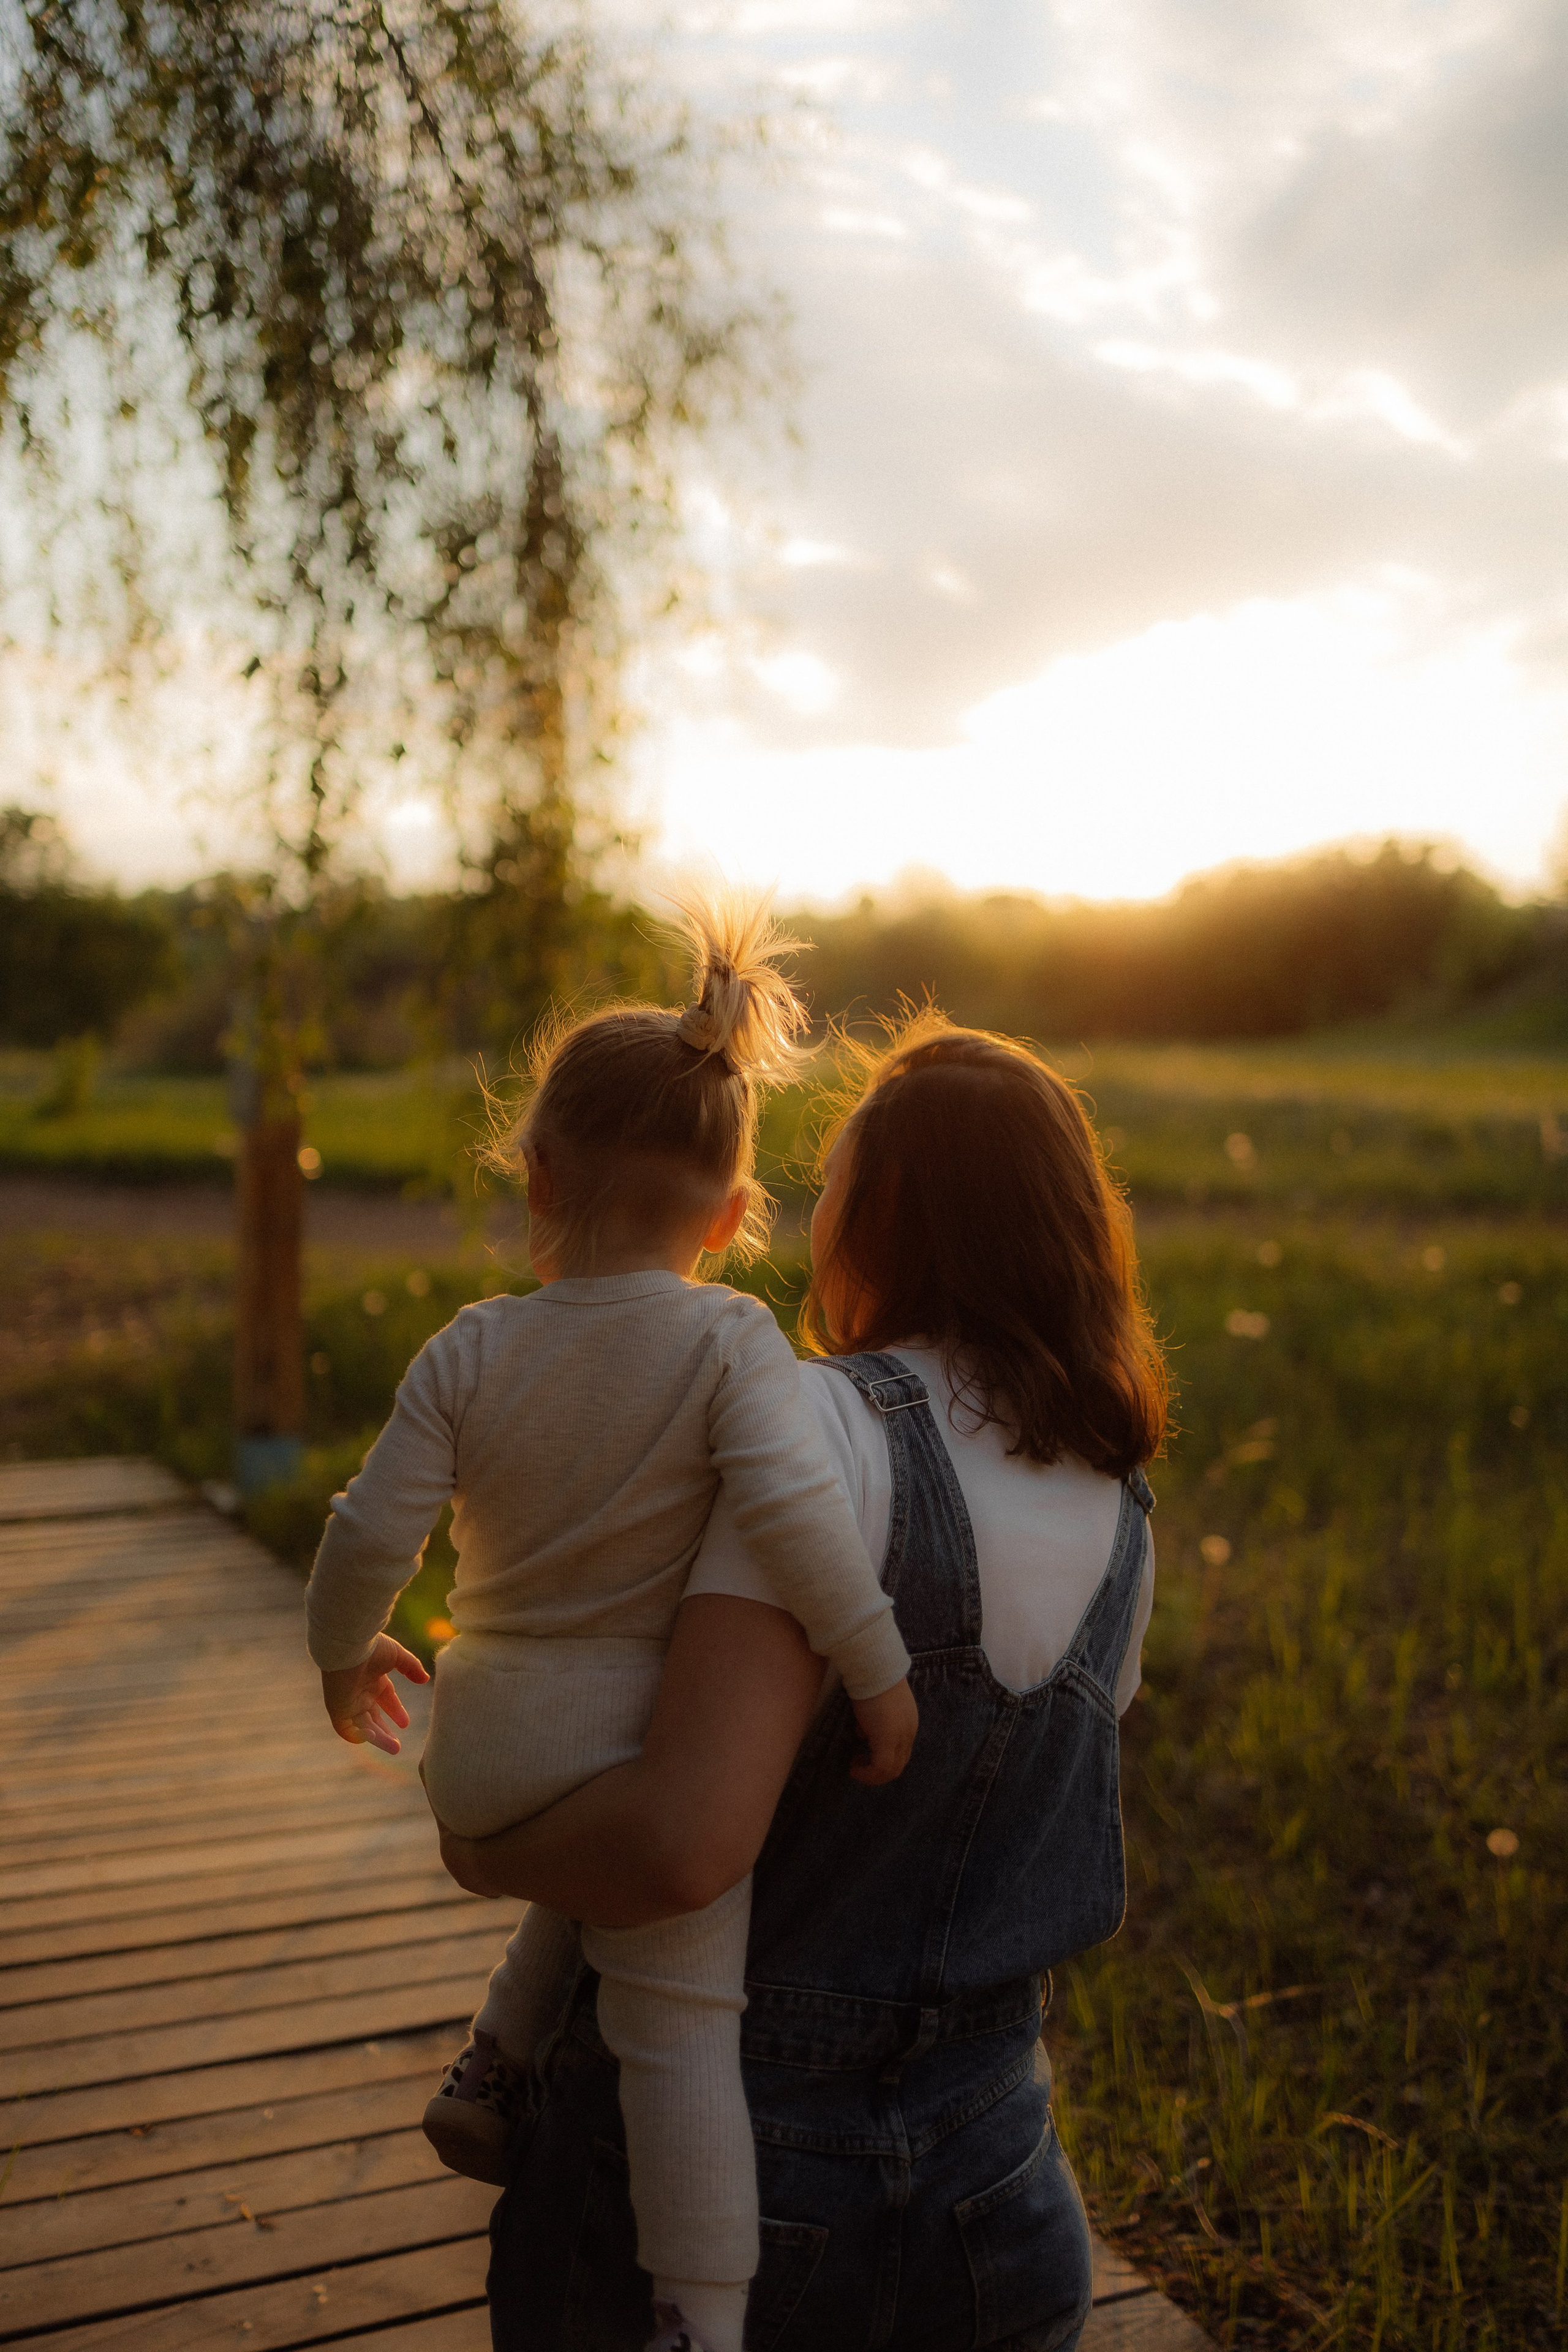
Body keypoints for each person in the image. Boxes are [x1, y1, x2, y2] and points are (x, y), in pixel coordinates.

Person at [443, 1011, 1169, 2352]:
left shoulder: (816, 1428)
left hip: (724, 2196)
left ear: (885, 1205)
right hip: (1000, 2184)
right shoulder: (1119, 1506)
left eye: (828, 1173)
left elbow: (679, 1843)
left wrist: (479, 1841)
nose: (810, 1204)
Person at [303, 893, 919, 2352]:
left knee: (583, 1869)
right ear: (728, 1218)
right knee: (677, 2029)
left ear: (533, 1173)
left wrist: (343, 1650)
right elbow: (794, 1520)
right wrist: (879, 1676)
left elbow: (366, 1530)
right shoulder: (726, 1339)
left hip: (486, 1734)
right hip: (632, 1734)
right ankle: (699, 2320)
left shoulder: (469, 1348)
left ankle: (495, 2059)